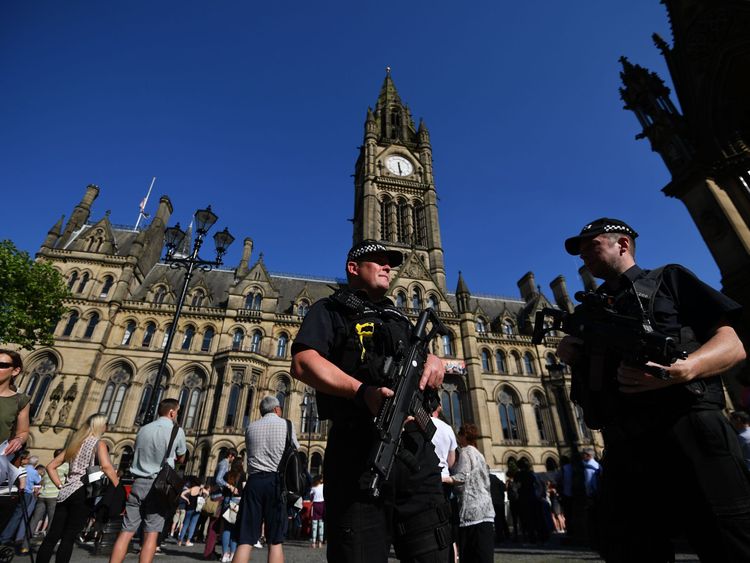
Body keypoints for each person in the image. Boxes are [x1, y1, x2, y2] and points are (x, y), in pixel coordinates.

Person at [557, 217, 750, 562]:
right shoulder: (588, 312)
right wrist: (574, 354)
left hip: (688, 431)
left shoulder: (669, 280)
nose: (583, 254)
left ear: (623, 245)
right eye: (580, 250)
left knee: (728, 543)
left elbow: (733, 343)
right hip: (624, 446)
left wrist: (686, 368)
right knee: (629, 548)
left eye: (591, 245)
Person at [291, 239, 451, 562]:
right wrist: (362, 392)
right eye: (378, 260)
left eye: (389, 261)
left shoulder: (401, 319)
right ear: (353, 268)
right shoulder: (330, 310)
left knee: (434, 553)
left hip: (415, 458)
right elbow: (303, 362)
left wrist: (435, 362)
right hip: (360, 457)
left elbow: (422, 366)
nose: (387, 266)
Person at [109, 398, 186, 563]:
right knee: (151, 533)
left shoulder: (143, 430)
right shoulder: (177, 431)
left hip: (137, 483)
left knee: (126, 531)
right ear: (172, 412)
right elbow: (181, 457)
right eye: (177, 412)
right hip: (159, 487)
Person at [36, 414, 119, 563]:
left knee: (52, 536)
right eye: (106, 424)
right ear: (100, 426)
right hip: (83, 492)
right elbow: (106, 466)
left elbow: (50, 466)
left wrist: (60, 485)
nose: (107, 427)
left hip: (66, 492)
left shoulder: (75, 444)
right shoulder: (98, 444)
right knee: (68, 537)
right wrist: (117, 486)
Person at [231, 396, 295, 563]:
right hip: (276, 483)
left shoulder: (251, 427)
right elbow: (294, 450)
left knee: (245, 540)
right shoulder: (287, 425)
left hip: (254, 482)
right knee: (275, 541)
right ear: (277, 409)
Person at [445, 424, 494, 563]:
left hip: (473, 511)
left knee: (470, 554)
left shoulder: (466, 452)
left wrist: (446, 479)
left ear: (464, 436)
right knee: (484, 555)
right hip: (486, 510)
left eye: (460, 434)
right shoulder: (479, 454)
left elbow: (462, 475)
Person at [0, 350, 31, 535]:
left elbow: (23, 431)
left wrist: (19, 440)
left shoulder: (20, 400)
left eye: (3, 365)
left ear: (15, 371)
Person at [29, 449, 68, 538]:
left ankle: (25, 544)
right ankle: (48, 541)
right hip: (54, 496)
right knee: (52, 520)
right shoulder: (65, 466)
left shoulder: (48, 465)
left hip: (42, 495)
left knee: (35, 519)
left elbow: (43, 480)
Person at [220, 460, 245, 562]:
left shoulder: (227, 474)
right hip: (237, 501)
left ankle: (225, 554)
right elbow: (244, 489)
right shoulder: (242, 474)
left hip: (227, 500)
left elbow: (223, 486)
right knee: (235, 528)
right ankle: (233, 554)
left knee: (226, 528)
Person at [177, 477, 204, 546]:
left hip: (189, 508)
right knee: (193, 525)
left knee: (185, 524)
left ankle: (180, 541)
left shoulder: (191, 489)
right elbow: (208, 493)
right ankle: (188, 541)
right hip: (197, 509)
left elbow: (182, 494)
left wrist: (187, 500)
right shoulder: (200, 489)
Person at [309, 475, 325, 549]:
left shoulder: (313, 487)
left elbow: (311, 498)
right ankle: (320, 542)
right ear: (319, 480)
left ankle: (314, 542)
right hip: (322, 504)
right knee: (321, 524)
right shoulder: (323, 486)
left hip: (315, 505)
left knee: (314, 524)